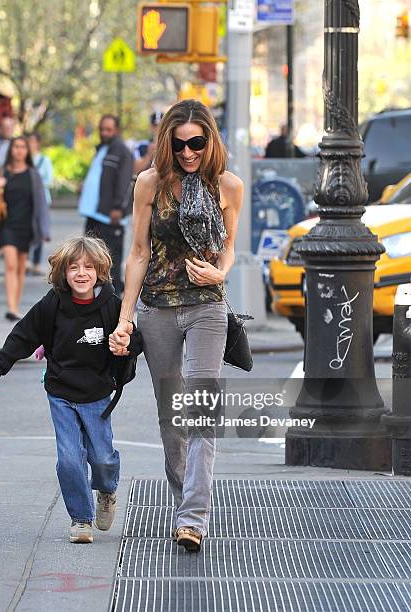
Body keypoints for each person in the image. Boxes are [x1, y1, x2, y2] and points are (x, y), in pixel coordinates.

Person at [108, 99, 243, 553]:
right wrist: (125, 320)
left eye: (197, 144)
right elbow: (139, 252)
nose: (188, 154)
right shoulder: (149, 184)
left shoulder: (229, 186)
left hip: (207, 305)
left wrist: (221, 273)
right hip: (158, 308)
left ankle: (192, 518)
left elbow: (227, 250)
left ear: (211, 142)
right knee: (172, 417)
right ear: (167, 142)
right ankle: (185, 496)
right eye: (180, 144)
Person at [0, 236, 142, 544]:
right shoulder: (52, 304)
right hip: (61, 392)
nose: (81, 273)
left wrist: (126, 346)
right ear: (63, 273)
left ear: (101, 270)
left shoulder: (111, 304)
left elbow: (136, 338)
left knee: (103, 458)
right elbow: (23, 336)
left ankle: (106, 491)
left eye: (89, 267)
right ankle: (81, 519)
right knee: (69, 459)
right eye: (74, 268)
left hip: (97, 394)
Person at [0, 136, 50, 321]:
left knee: (20, 267)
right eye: (16, 147)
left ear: (27, 151)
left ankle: (15, 305)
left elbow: (41, 203)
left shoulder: (33, 174)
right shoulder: (1, 172)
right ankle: (11, 307)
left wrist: (44, 229)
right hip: (6, 225)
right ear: (10, 150)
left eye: (22, 147)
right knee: (11, 264)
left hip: (26, 225)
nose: (19, 151)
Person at [78, 114, 133, 296]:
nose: (104, 132)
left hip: (110, 216)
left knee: (111, 261)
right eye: (102, 129)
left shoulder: (122, 152)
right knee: (90, 258)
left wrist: (118, 207)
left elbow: (125, 183)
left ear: (116, 130)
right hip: (94, 214)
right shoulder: (102, 149)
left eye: (108, 129)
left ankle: (114, 302)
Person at [27, 132, 54, 275]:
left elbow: (50, 180)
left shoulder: (44, 160)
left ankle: (36, 262)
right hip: (26, 200)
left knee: (39, 229)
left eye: (32, 141)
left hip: (41, 200)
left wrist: (35, 183)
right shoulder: (24, 160)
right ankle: (25, 260)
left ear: (38, 143)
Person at [133, 111, 164, 175]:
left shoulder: (173, 144)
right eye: (155, 125)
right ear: (151, 127)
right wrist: (149, 154)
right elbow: (135, 169)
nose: (158, 128)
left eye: (161, 125)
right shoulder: (141, 145)